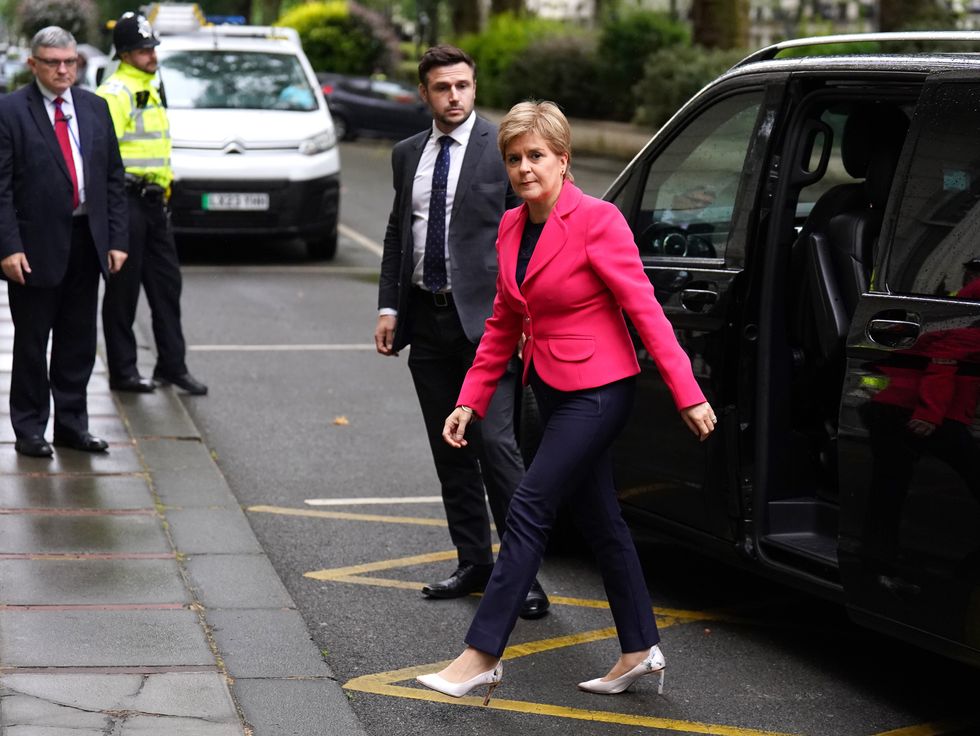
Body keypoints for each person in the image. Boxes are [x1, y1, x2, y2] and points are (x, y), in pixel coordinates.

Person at [416, 101, 717, 703]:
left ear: (563, 159)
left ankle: (480, 656)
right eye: (514, 158)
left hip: (601, 391)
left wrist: (687, 392)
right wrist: (470, 401)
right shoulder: (511, 227)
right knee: (602, 518)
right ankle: (640, 649)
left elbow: (645, 311)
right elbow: (504, 321)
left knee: (528, 507)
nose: (524, 168)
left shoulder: (598, 221)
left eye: (535, 156)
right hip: (551, 389)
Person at [374, 45, 549, 619]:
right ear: (424, 92)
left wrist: (526, 312)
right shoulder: (406, 154)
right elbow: (400, 231)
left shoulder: (504, 148)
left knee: (497, 446)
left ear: (475, 88)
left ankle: (523, 573)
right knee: (448, 449)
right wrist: (388, 309)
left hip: (489, 327)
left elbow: (530, 233)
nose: (454, 96)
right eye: (443, 87)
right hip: (427, 320)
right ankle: (474, 560)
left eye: (463, 86)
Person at [0, 27, 128, 457]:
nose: (62, 69)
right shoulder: (10, 111)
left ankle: (73, 425)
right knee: (33, 342)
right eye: (53, 62)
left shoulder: (95, 108)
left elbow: (112, 176)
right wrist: (7, 247)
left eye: (69, 62)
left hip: (86, 240)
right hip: (32, 247)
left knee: (77, 339)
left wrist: (116, 238)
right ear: (33, 64)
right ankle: (30, 429)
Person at [97, 12, 207, 396]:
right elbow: (102, 156)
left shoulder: (150, 85)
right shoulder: (116, 93)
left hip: (155, 204)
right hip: (126, 203)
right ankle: (124, 372)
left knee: (166, 286)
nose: (151, 54)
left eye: (152, 47)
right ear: (125, 54)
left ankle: (172, 366)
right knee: (123, 293)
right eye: (143, 49)